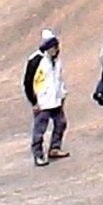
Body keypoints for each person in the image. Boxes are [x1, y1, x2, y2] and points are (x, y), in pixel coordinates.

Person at [23, 28, 69, 166]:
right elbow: (28, 82)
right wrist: (34, 101)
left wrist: (62, 94)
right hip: (42, 101)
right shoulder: (36, 61)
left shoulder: (57, 61)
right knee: (40, 129)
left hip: (55, 100)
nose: (56, 50)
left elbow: (59, 79)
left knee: (61, 123)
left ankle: (55, 148)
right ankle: (38, 154)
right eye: (53, 47)